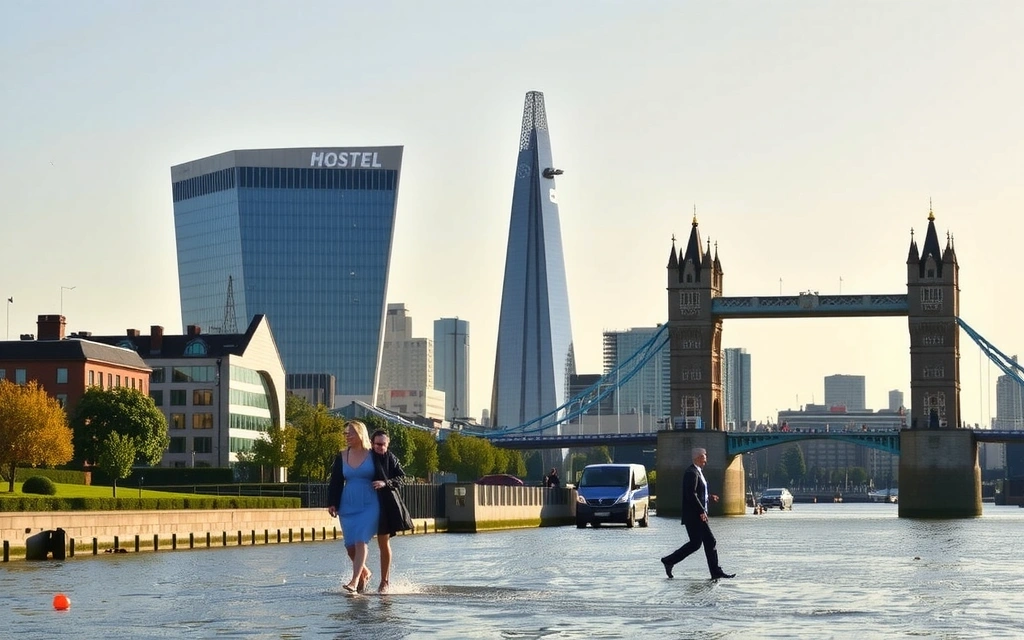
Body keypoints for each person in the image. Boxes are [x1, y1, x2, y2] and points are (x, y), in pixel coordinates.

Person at [660, 447, 735, 580]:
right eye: (705, 456)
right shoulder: (691, 472)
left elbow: (698, 493)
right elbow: (691, 494)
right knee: (710, 541)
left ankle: (669, 561)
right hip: (695, 516)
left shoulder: (697, 471)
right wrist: (701, 511)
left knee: (695, 544)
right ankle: (716, 572)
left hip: (696, 515)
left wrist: (709, 497)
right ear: (698, 457)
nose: (706, 459)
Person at [327, 420, 380, 593]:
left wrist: (386, 483)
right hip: (347, 505)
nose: (347, 436)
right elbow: (335, 481)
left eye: (351, 433)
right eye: (345, 433)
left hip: (370, 504)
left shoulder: (374, 455)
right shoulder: (342, 455)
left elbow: (389, 472)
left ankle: (354, 581)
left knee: (360, 540)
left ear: (360, 434)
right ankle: (365, 572)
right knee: (350, 547)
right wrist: (332, 503)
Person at [370, 429, 408, 594]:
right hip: (365, 503)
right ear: (372, 444)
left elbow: (402, 478)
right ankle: (362, 574)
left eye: (383, 444)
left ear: (388, 444)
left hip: (385, 504)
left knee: (383, 543)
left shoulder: (391, 458)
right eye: (377, 444)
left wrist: (385, 483)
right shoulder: (365, 456)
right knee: (357, 541)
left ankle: (384, 581)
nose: (380, 447)